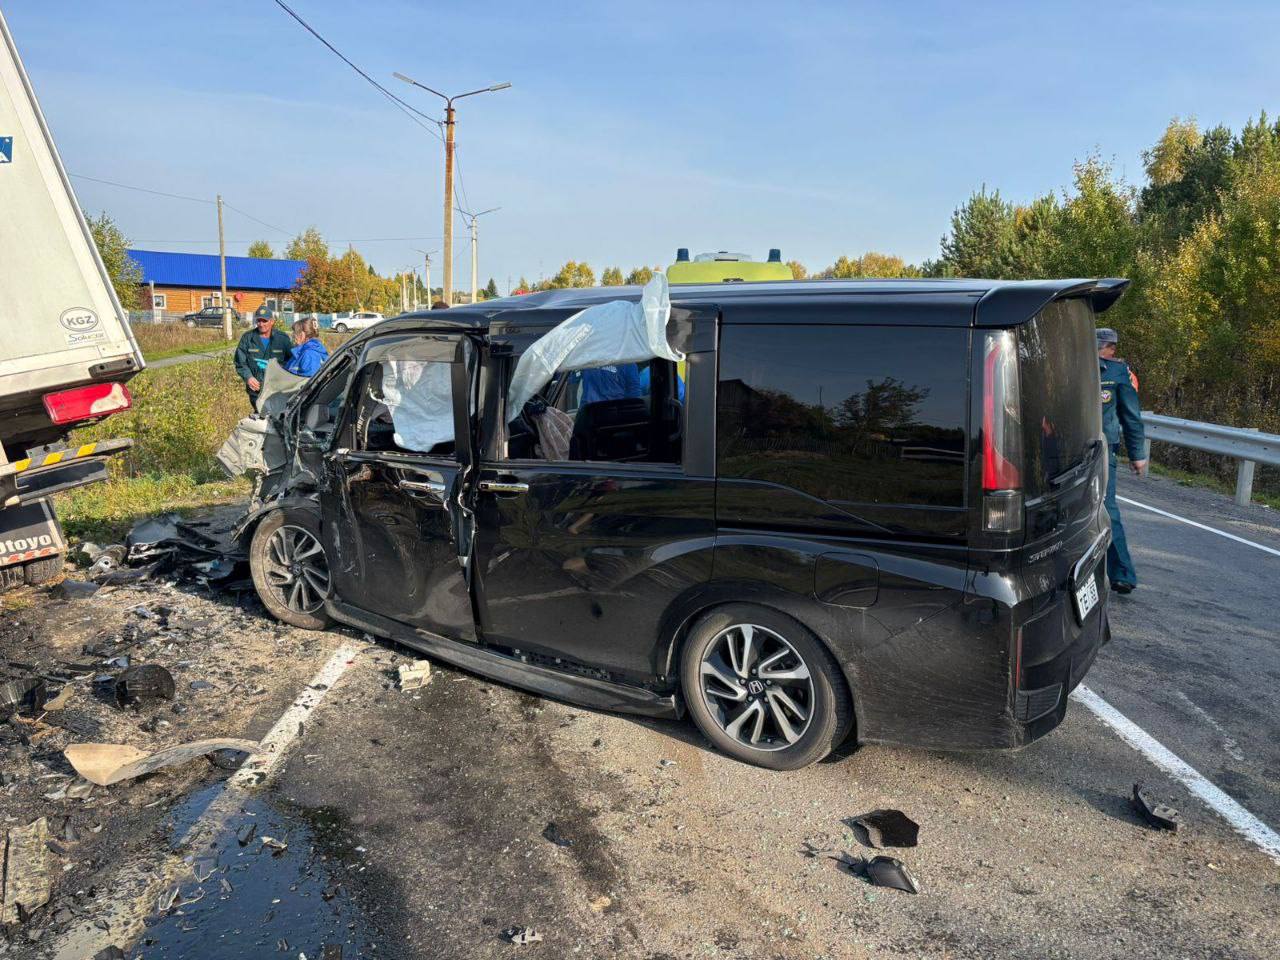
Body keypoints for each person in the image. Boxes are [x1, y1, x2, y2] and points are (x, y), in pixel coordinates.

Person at [1098, 327, 1147, 594]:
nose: (1109, 350)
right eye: (1107, 346)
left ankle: (1122, 573)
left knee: (1106, 509)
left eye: (1108, 347)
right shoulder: (1073, 365)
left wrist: (1137, 454)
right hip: (1070, 449)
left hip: (1104, 450)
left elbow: (1131, 415)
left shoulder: (1118, 372)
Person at [234, 311, 293, 409]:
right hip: (256, 390)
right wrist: (248, 377)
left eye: (264, 321)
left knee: (276, 416)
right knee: (259, 415)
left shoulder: (282, 339)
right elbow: (240, 362)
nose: (261, 324)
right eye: (259, 321)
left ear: (272, 321)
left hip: (277, 389)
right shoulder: (248, 338)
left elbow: (292, 361)